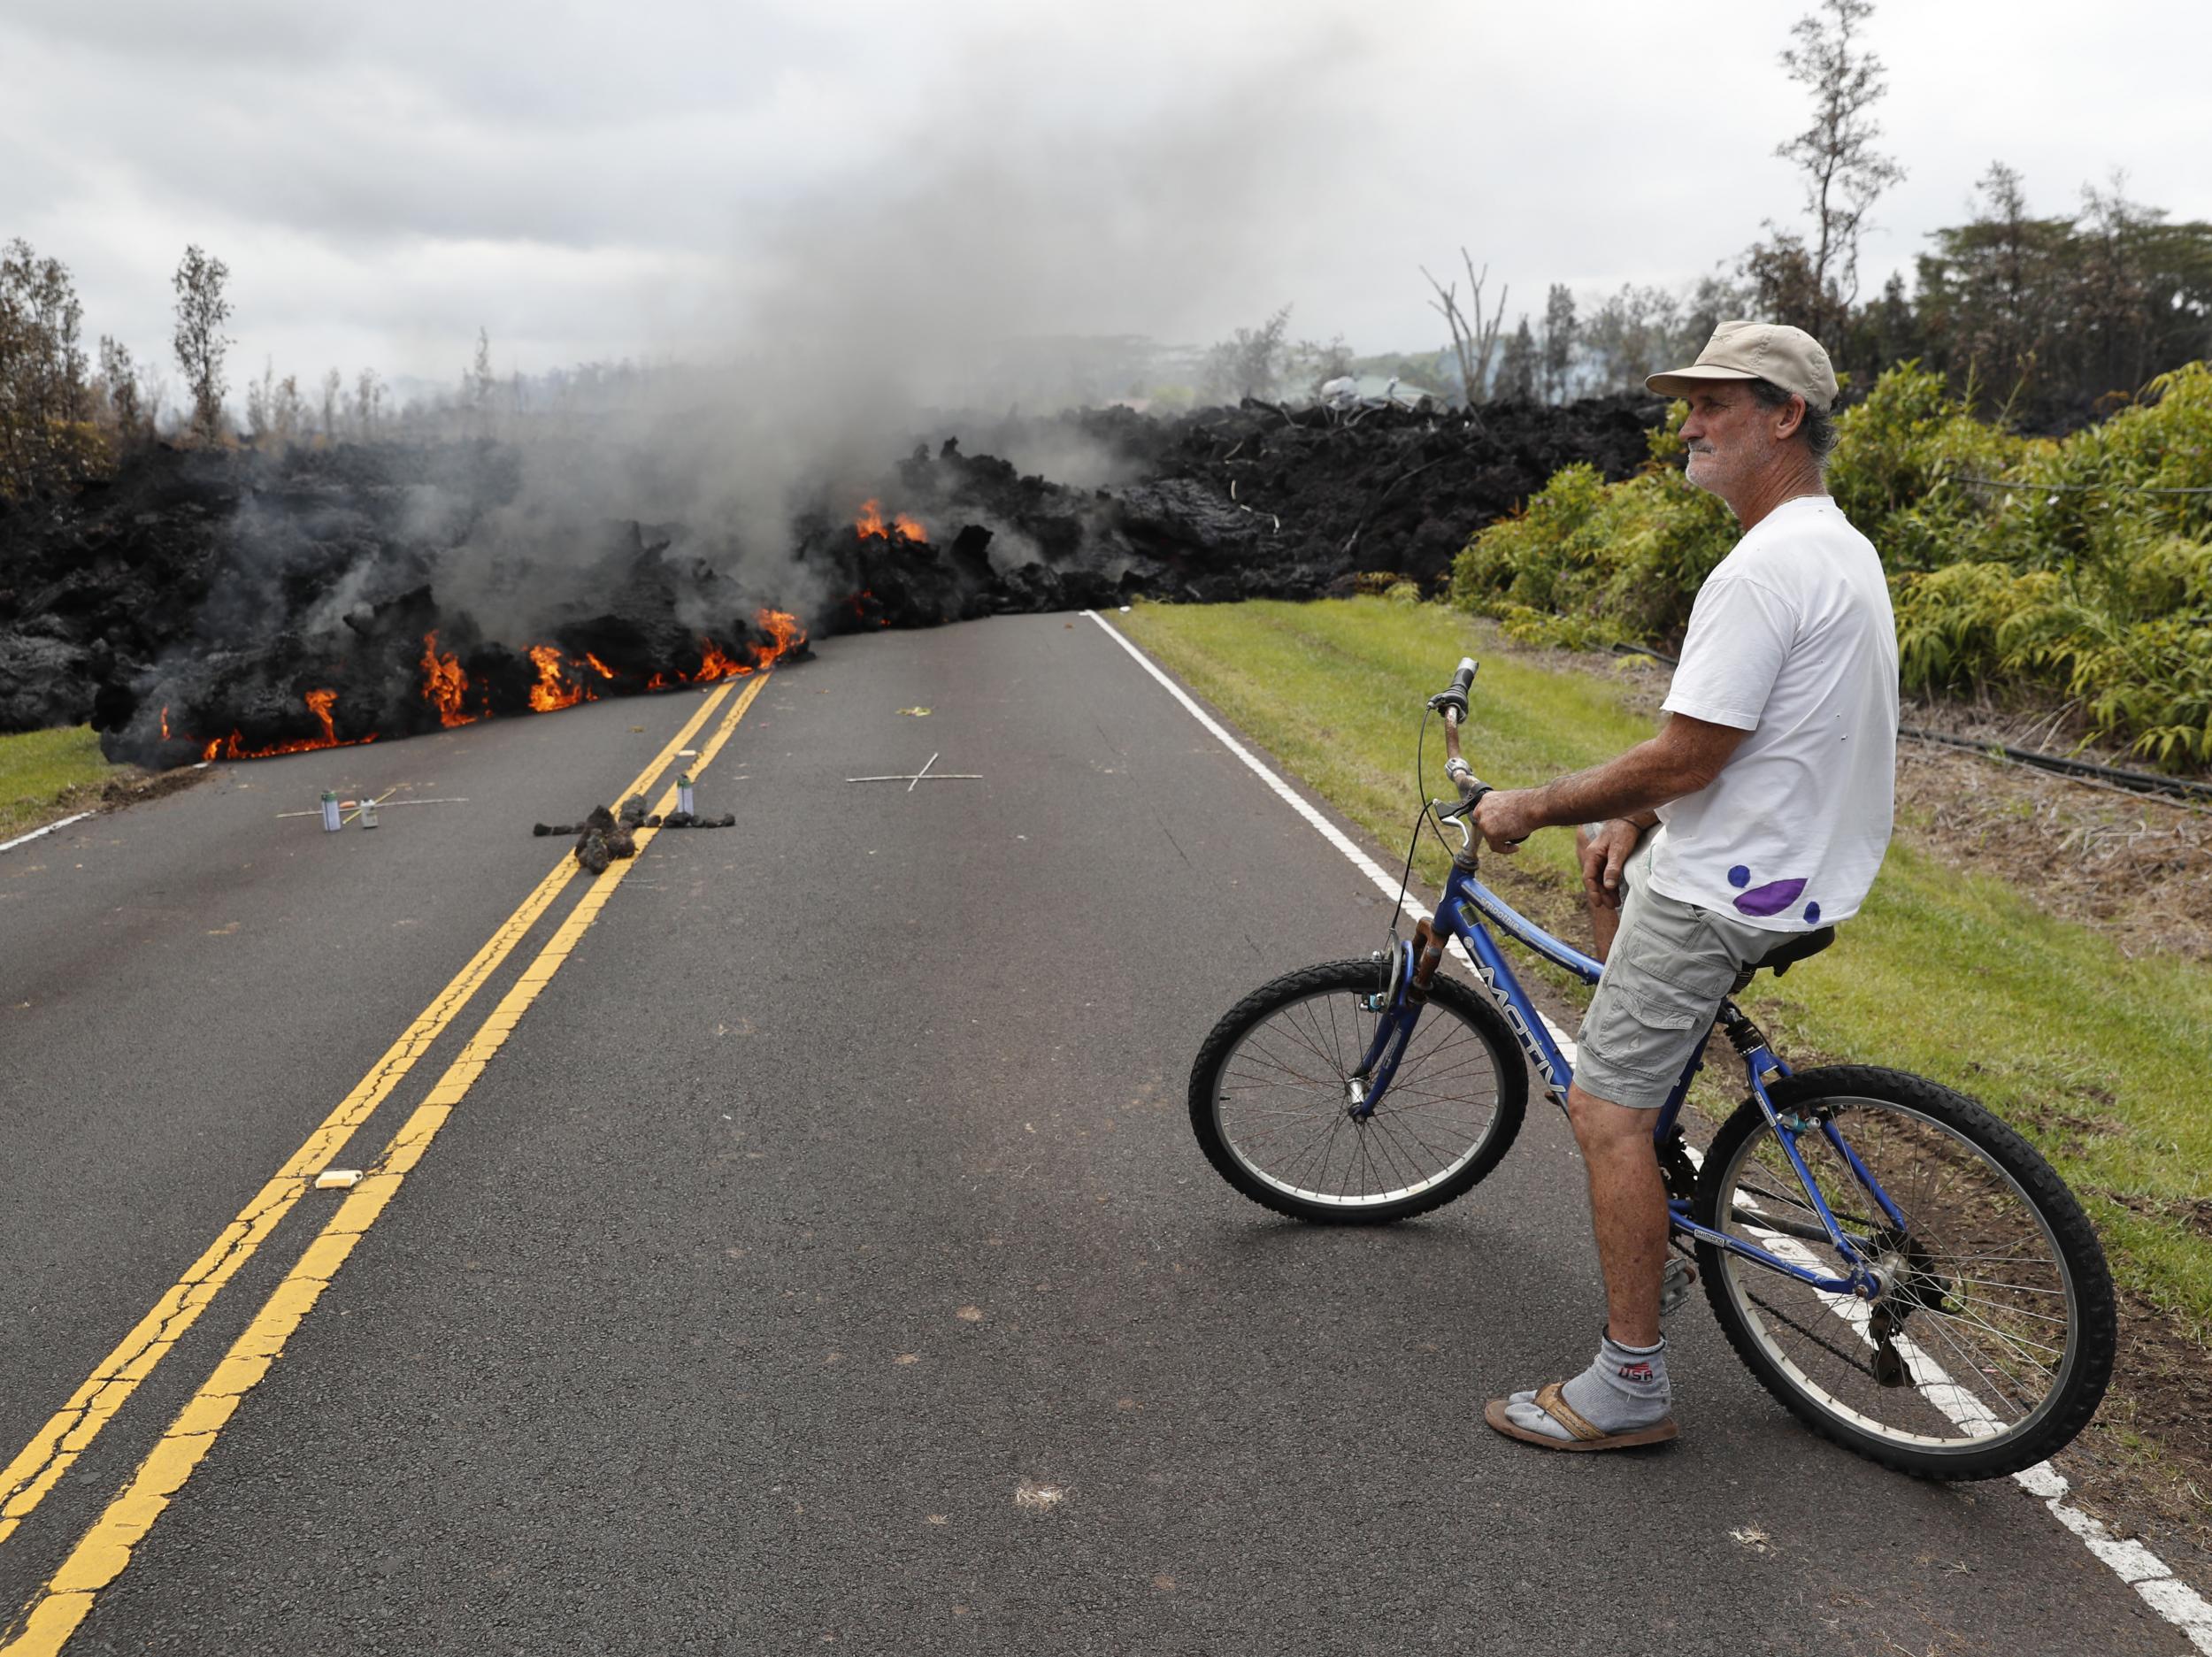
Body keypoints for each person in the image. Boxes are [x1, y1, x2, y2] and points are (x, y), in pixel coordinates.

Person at [1467, 320, 1899, 1453]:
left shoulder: (1761, 569)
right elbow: (1754, 740)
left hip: (1728, 883)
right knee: (1610, 880)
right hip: (1796, 860)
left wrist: (1527, 803)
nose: (1689, 425)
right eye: (1686, 404)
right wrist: (1628, 816)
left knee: (1600, 1109)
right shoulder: (1834, 544)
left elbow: (1688, 753)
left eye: (1714, 404)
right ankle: (1656, 1186)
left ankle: (1628, 1385)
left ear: (1784, 415)